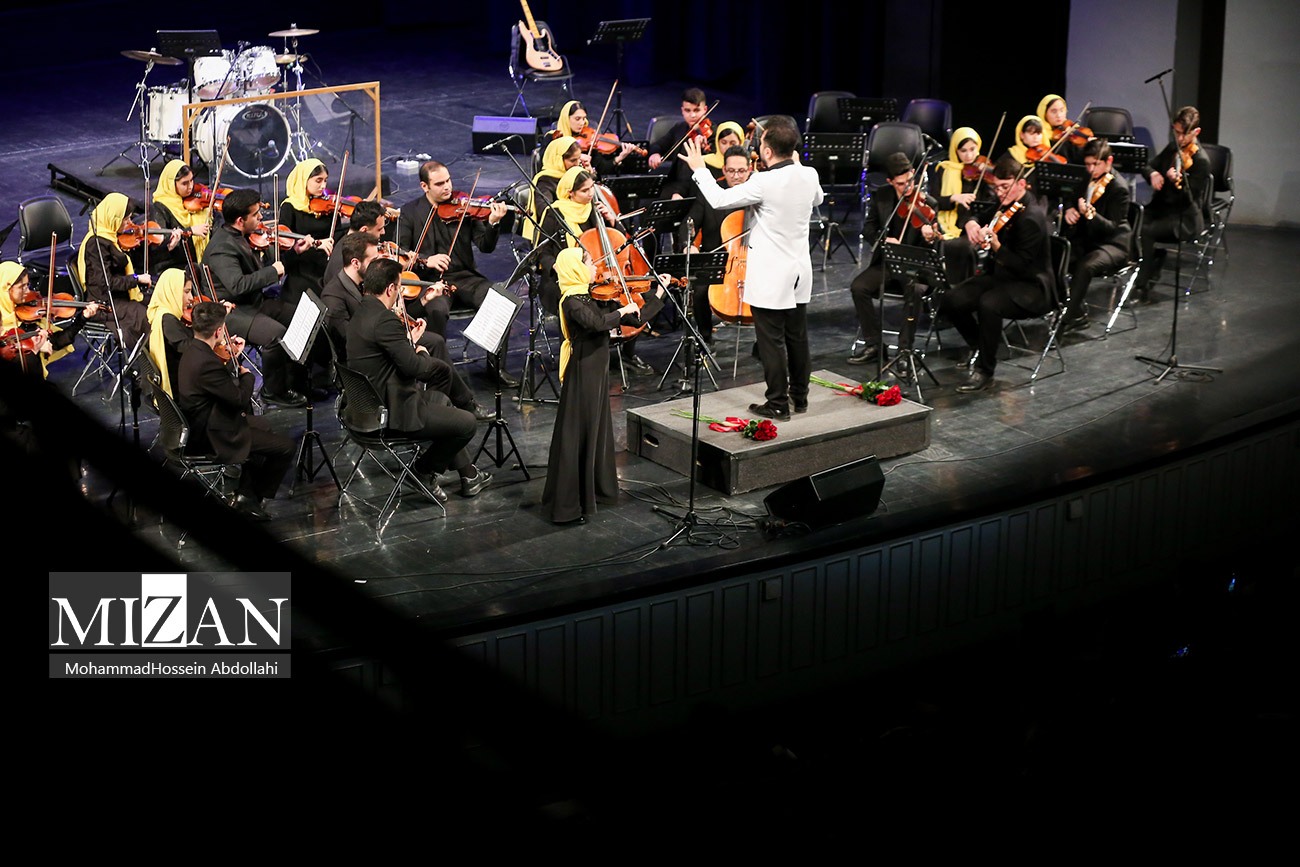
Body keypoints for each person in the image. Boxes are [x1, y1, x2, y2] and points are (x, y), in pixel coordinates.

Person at [681, 115, 823, 421]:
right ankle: (800, 397)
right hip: (800, 272)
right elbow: (818, 199)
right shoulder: (809, 174)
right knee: (797, 336)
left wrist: (699, 169)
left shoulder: (764, 181)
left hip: (772, 276)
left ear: (768, 151)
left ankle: (778, 403)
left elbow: (719, 199)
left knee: (772, 341)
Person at [344, 257, 491, 502]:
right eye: (398, 287)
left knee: (443, 401)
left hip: (364, 406)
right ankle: (422, 471)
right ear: (390, 288)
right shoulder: (384, 319)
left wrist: (408, 342)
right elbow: (414, 369)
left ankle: (469, 476)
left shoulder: (361, 312)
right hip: (390, 410)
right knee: (467, 423)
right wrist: (419, 351)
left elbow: (384, 354)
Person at [322, 233, 491, 420]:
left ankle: (438, 408)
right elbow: (351, 342)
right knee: (427, 354)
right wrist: (405, 340)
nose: (379, 263)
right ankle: (448, 408)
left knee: (435, 342)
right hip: (369, 362)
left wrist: (424, 300)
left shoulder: (364, 283)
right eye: (374, 259)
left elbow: (391, 321)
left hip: (382, 340)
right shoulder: (334, 296)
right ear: (355, 263)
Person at [540, 248, 640, 526]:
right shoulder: (571, 301)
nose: (596, 268)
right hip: (583, 371)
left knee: (595, 429)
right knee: (578, 432)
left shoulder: (591, 295)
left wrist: (655, 295)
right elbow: (596, 324)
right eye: (589, 263)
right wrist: (621, 310)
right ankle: (568, 506)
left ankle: (595, 492)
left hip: (596, 373)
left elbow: (633, 320)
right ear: (575, 269)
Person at [394, 160, 515, 387]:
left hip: (464, 277)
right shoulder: (410, 212)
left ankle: (495, 367)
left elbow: (485, 246)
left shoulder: (464, 206)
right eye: (439, 184)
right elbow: (399, 252)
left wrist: (493, 223)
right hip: (430, 282)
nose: (447, 187)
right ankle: (437, 372)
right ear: (424, 186)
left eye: (448, 180)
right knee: (436, 310)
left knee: (500, 301)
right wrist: (426, 260)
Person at [940, 155, 1055, 393]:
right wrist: (971, 224)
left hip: (1031, 286)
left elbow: (1022, 266)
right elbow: (975, 213)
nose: (999, 193)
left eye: (1005, 187)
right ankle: (983, 346)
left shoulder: (1031, 217)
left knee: (989, 303)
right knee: (952, 299)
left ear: (1021, 184)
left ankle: (985, 371)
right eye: (997, 187)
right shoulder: (1005, 203)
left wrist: (997, 247)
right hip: (1003, 276)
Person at [177, 301, 295, 521]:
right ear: (218, 331)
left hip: (207, 420)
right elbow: (239, 398)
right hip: (211, 434)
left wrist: (234, 356)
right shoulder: (206, 362)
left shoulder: (194, 350)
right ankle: (254, 499)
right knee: (286, 447)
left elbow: (218, 385)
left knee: (263, 425)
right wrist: (246, 375)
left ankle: (245, 495)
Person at [536, 166, 658, 376]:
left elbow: (621, 242)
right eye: (585, 190)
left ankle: (628, 354)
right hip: (566, 279)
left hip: (598, 275)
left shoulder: (595, 210)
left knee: (635, 299)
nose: (591, 193)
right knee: (572, 302)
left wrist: (612, 221)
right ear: (570, 193)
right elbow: (541, 253)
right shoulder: (554, 214)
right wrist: (557, 265)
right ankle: (577, 357)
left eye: (592, 187)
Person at [202, 187, 313, 407]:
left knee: (301, 318)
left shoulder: (243, 236)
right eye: (255, 214)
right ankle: (273, 391)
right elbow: (238, 285)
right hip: (233, 311)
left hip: (253, 302)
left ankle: (297, 382)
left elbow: (268, 269)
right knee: (276, 335)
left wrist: (294, 253)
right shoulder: (221, 248)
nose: (261, 217)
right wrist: (273, 271)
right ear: (240, 220)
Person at [848, 152, 943, 379]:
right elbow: (868, 229)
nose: (907, 188)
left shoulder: (929, 203)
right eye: (901, 184)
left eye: (910, 181)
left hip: (916, 267)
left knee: (915, 291)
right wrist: (884, 240)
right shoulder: (882, 196)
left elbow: (935, 244)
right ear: (890, 182)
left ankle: (904, 351)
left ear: (914, 174)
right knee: (858, 288)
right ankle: (874, 345)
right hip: (889, 263)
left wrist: (930, 237)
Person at [1133, 105, 1211, 302]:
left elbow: (1190, 199)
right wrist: (1153, 174)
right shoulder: (1172, 148)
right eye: (1176, 132)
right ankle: (1155, 257)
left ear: (1196, 132)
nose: (1179, 138)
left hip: (1183, 218)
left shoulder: (1201, 161)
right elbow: (1147, 165)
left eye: (1184, 134)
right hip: (1161, 209)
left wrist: (1179, 182)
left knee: (1146, 231)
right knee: (1131, 223)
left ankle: (1142, 284)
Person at [677, 145, 751, 344]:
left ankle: (763, 344)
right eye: (731, 171)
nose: (736, 176)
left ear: (749, 170)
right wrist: (688, 244)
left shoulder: (756, 196)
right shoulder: (710, 193)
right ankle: (706, 338)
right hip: (714, 262)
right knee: (700, 292)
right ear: (724, 170)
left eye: (741, 171)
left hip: (750, 261)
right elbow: (688, 223)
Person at [1058, 138, 1132, 331]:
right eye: (1088, 164)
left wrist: (1091, 215)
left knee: (1086, 266)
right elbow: (1070, 195)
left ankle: (1068, 319)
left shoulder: (1119, 188)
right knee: (1057, 256)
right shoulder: (1087, 176)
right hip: (1088, 239)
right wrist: (1069, 209)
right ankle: (1075, 312)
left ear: (1109, 161)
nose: (1091, 169)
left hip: (1113, 244)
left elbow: (1112, 227)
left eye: (1096, 164)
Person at [77, 192, 151, 358]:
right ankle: (146, 363)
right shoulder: (96, 244)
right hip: (104, 303)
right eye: (125, 219)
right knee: (144, 316)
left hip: (119, 296)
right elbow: (106, 283)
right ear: (113, 218)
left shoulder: (109, 236)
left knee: (156, 304)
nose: (129, 223)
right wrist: (136, 279)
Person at [930, 126, 995, 285]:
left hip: (973, 224)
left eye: (973, 149)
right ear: (955, 151)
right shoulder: (944, 169)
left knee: (965, 247)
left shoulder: (983, 170)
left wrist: (971, 221)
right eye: (963, 151)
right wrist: (953, 198)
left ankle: (966, 287)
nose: (969, 155)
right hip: (946, 223)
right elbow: (933, 201)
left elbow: (990, 205)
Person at [276, 158, 338, 304]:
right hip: (302, 267)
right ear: (304, 180)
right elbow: (286, 244)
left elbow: (337, 233)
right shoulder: (289, 207)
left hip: (326, 266)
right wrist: (317, 244)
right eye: (318, 181)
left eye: (325, 180)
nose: (323, 186)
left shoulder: (328, 206)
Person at [147, 160, 211, 278]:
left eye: (191, 180)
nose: (190, 187)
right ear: (171, 184)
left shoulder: (198, 199)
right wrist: (190, 231)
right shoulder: (160, 207)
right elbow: (160, 241)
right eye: (184, 183)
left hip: (195, 261)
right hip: (175, 264)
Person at [648, 87, 711, 200]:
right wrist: (655, 153)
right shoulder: (679, 128)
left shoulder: (712, 133)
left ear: (705, 109)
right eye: (688, 110)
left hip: (700, 188)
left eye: (697, 110)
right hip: (676, 184)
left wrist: (704, 150)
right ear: (682, 110)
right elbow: (659, 144)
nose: (692, 115)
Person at [553, 99, 639, 179]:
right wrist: (577, 157)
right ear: (566, 119)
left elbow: (602, 168)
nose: (582, 123)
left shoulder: (590, 141)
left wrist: (620, 157)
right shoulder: (554, 137)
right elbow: (550, 162)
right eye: (577, 119)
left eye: (584, 118)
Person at [145, 268, 198, 398]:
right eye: (186, 292)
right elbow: (190, 350)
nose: (191, 298)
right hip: (181, 390)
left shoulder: (161, 313)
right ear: (172, 291)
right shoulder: (167, 320)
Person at [322, 199, 391, 286]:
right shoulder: (344, 264)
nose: (383, 232)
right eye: (379, 229)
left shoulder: (351, 245)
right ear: (364, 230)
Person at [1038, 94, 1088, 164]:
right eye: (1054, 112)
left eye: (1062, 110)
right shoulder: (1039, 134)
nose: (1059, 115)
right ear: (1044, 113)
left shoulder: (1072, 128)